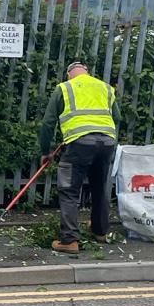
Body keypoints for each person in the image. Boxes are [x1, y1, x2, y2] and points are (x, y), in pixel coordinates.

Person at [38, 60, 119, 253]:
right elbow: (117, 117)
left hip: (79, 143)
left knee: (69, 190)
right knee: (99, 186)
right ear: (87, 72)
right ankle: (100, 231)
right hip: (107, 142)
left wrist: (46, 151)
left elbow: (48, 123)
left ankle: (70, 240)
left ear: (69, 74)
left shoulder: (64, 88)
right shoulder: (105, 87)